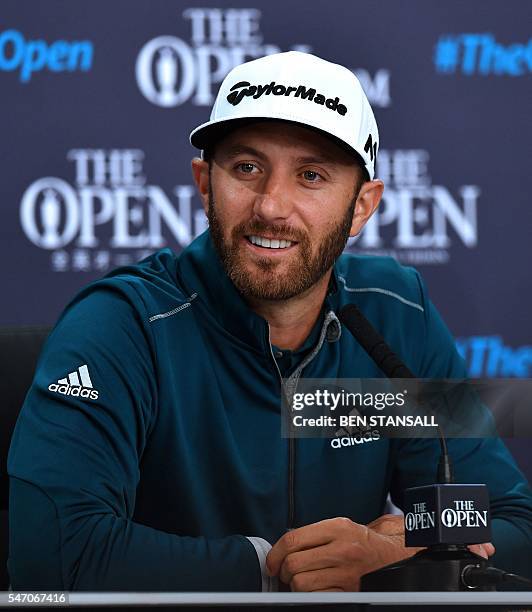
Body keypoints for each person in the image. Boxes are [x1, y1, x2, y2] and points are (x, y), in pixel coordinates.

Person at [7, 52, 532, 592]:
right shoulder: (125, 323)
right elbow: (52, 553)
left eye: (311, 175)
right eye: (247, 168)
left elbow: (515, 522)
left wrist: (397, 553)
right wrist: (271, 570)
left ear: (361, 206)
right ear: (205, 182)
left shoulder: (396, 315)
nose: (271, 206)